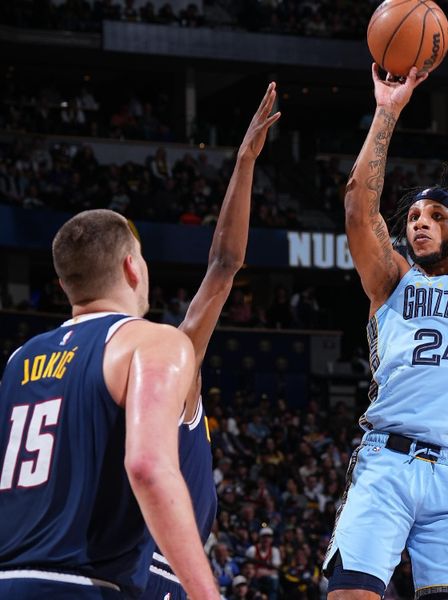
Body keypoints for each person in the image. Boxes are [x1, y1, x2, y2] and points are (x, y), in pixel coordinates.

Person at [322, 42, 448, 600]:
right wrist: (386, 112)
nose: (419, 224)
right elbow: (358, 207)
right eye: (412, 216)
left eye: (436, 216)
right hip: (387, 460)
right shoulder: (391, 280)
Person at [0, 209, 217, 599]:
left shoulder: (18, 361)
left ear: (65, 282)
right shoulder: (152, 341)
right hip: (87, 586)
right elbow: (148, 466)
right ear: (132, 267)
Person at [143, 82, 281, 599]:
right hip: (160, 572)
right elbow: (224, 267)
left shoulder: (97, 382)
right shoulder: (172, 369)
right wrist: (245, 161)